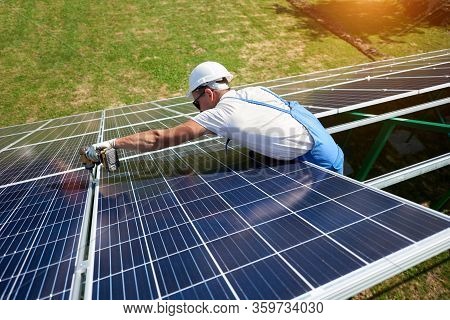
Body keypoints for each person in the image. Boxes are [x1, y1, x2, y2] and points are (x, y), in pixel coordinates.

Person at [85, 61, 344, 174]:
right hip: (328, 145)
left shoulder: (223, 114)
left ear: (208, 93)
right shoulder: (256, 91)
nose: (199, 110)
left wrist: (113, 143)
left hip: (318, 165)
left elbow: (158, 139)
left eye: (197, 103)